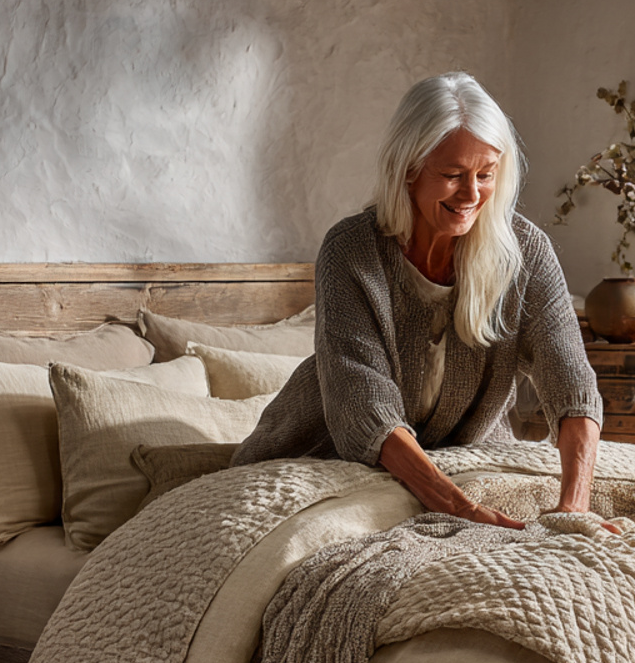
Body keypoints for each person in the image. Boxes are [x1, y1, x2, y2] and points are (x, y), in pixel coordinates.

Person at [231, 71, 606, 527]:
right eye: (452, 175)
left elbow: (571, 380)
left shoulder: (525, 253)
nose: (472, 194)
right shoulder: (351, 251)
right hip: (319, 456)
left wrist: (574, 507)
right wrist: (460, 508)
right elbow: (364, 403)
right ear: (408, 168)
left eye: (485, 174)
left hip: (462, 461)